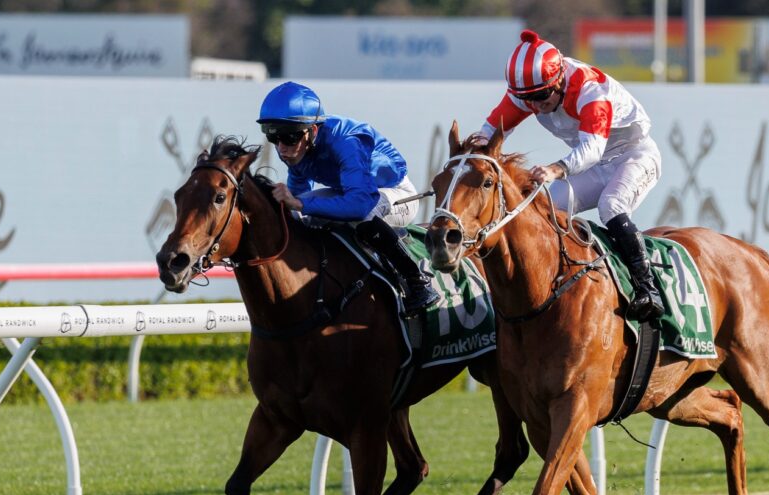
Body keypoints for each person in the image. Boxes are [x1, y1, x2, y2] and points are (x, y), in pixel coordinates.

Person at [478, 30, 665, 322]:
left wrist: (555, 169)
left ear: (559, 80)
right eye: (526, 99)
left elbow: (592, 149)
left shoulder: (590, 91)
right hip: (596, 164)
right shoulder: (530, 89)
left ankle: (648, 287)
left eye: (541, 96)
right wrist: (470, 158)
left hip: (634, 155)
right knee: (547, 209)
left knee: (611, 205)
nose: (535, 105)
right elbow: (488, 133)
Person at [257, 81, 440, 316]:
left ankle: (418, 282)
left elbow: (360, 205)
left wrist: (300, 203)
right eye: (273, 137)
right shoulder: (296, 147)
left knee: (363, 216)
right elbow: (297, 199)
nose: (281, 148)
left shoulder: (346, 142)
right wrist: (293, 207)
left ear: (312, 131)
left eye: (289, 137)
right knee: (296, 214)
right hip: (353, 192)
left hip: (396, 193)